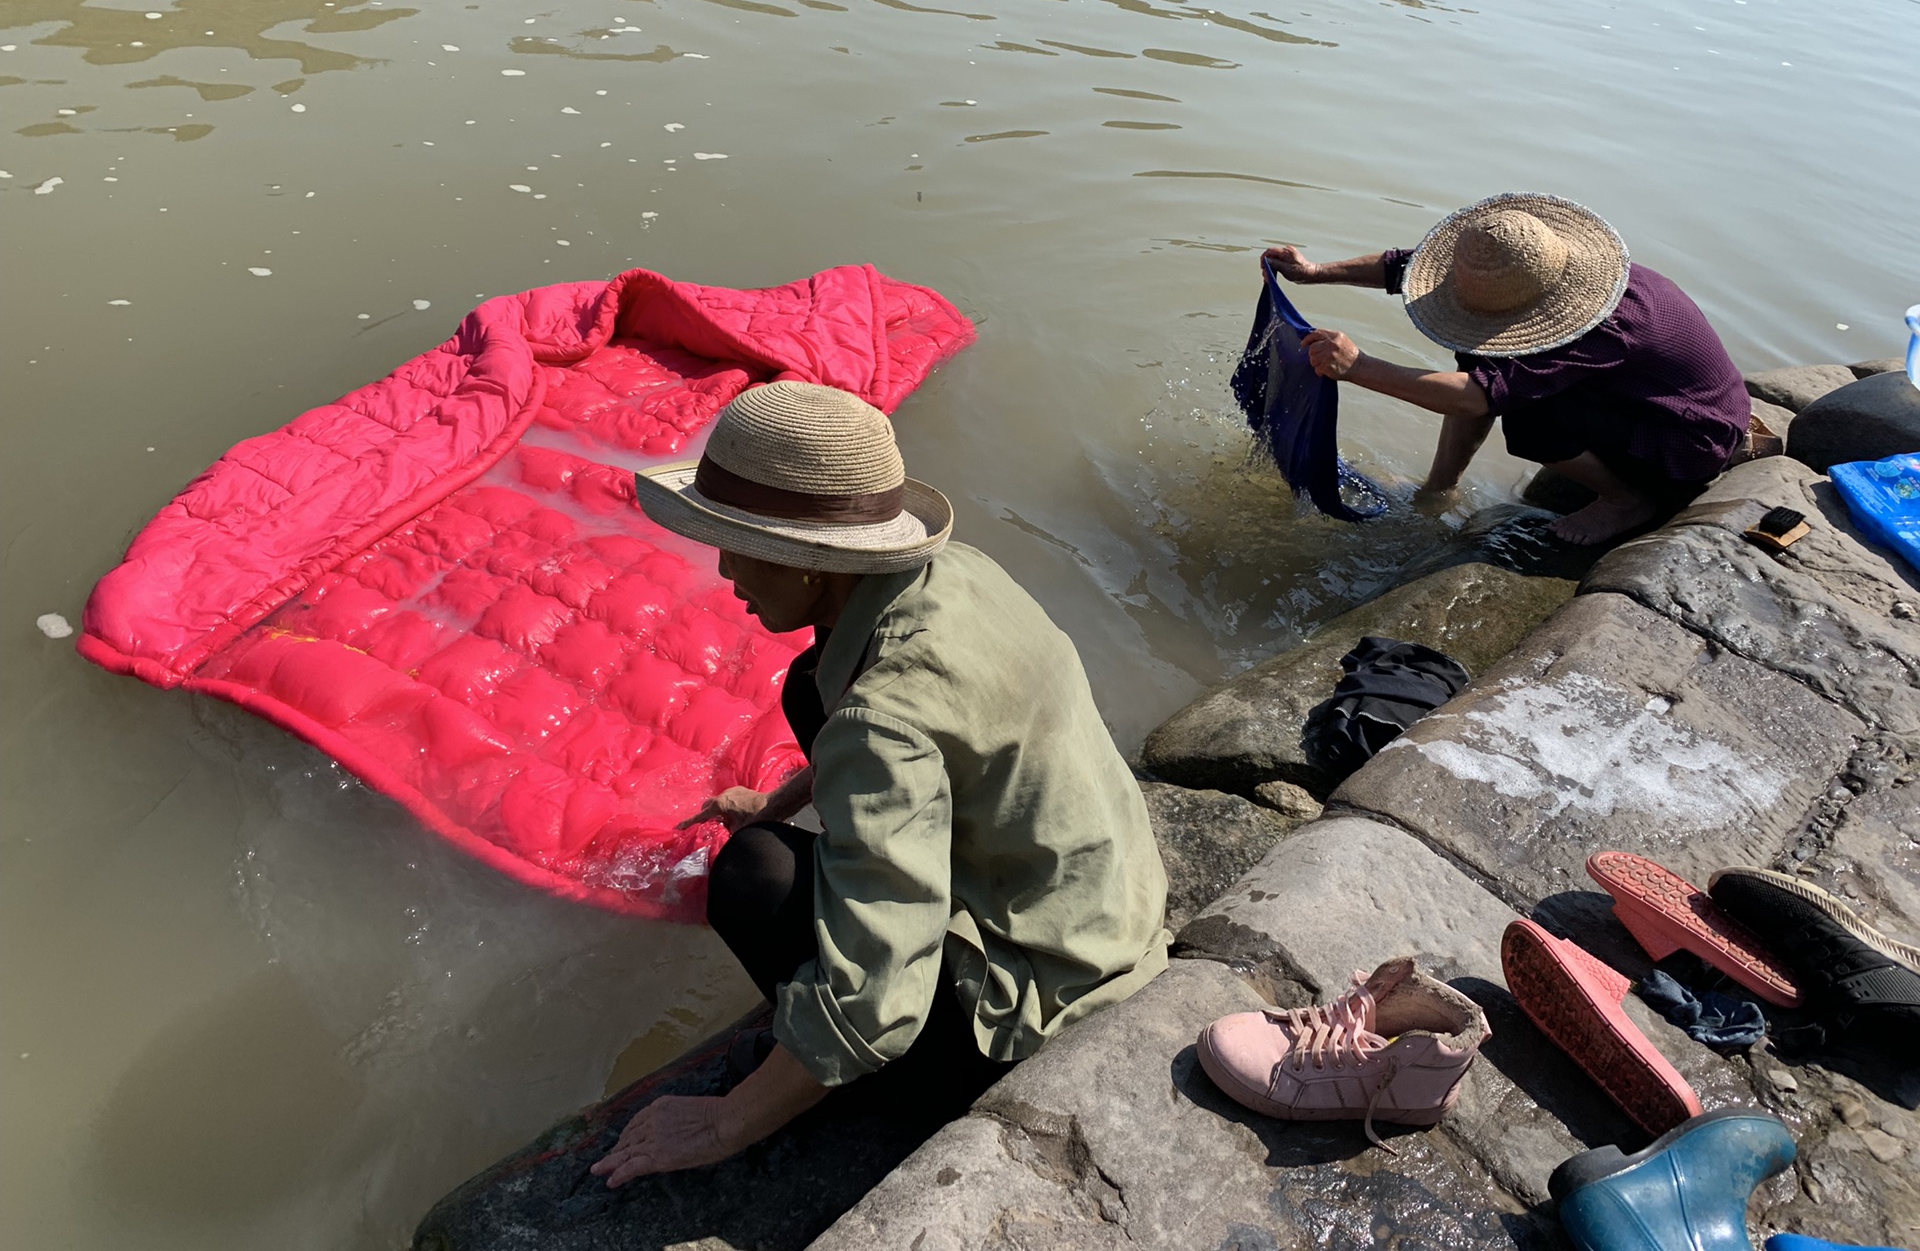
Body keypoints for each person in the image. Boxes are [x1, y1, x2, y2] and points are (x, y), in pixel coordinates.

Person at [590, 381, 1170, 1186]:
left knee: (755, 877)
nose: (723, 570)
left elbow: (878, 1005)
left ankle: (880, 1093)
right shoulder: (960, 572)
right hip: (1108, 909)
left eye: (739, 544)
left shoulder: (880, 719)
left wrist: (724, 1122)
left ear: (815, 563)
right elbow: (925, 730)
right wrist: (781, 799)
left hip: (1043, 1003)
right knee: (808, 689)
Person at [1266, 194, 1753, 544]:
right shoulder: (1539, 266)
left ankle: (1627, 501)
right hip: (1646, 399)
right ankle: (1441, 488)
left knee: (1530, 422)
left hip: (1689, 436)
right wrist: (1314, 272)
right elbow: (1405, 267)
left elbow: (1477, 396)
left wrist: (1359, 367)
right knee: (1483, 356)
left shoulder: (1603, 328)